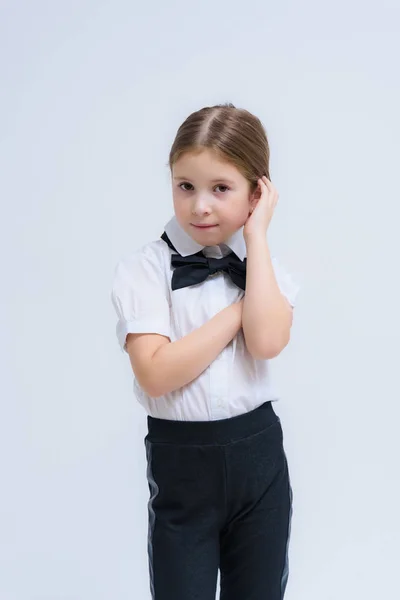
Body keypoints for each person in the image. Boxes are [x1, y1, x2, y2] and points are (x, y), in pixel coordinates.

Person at [111, 103, 300, 600]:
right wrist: (239, 311)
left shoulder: (268, 271)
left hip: (259, 462)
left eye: (221, 188)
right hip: (182, 465)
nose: (200, 206)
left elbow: (267, 342)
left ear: (257, 193)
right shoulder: (145, 270)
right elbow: (155, 373)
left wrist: (255, 237)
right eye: (185, 186)